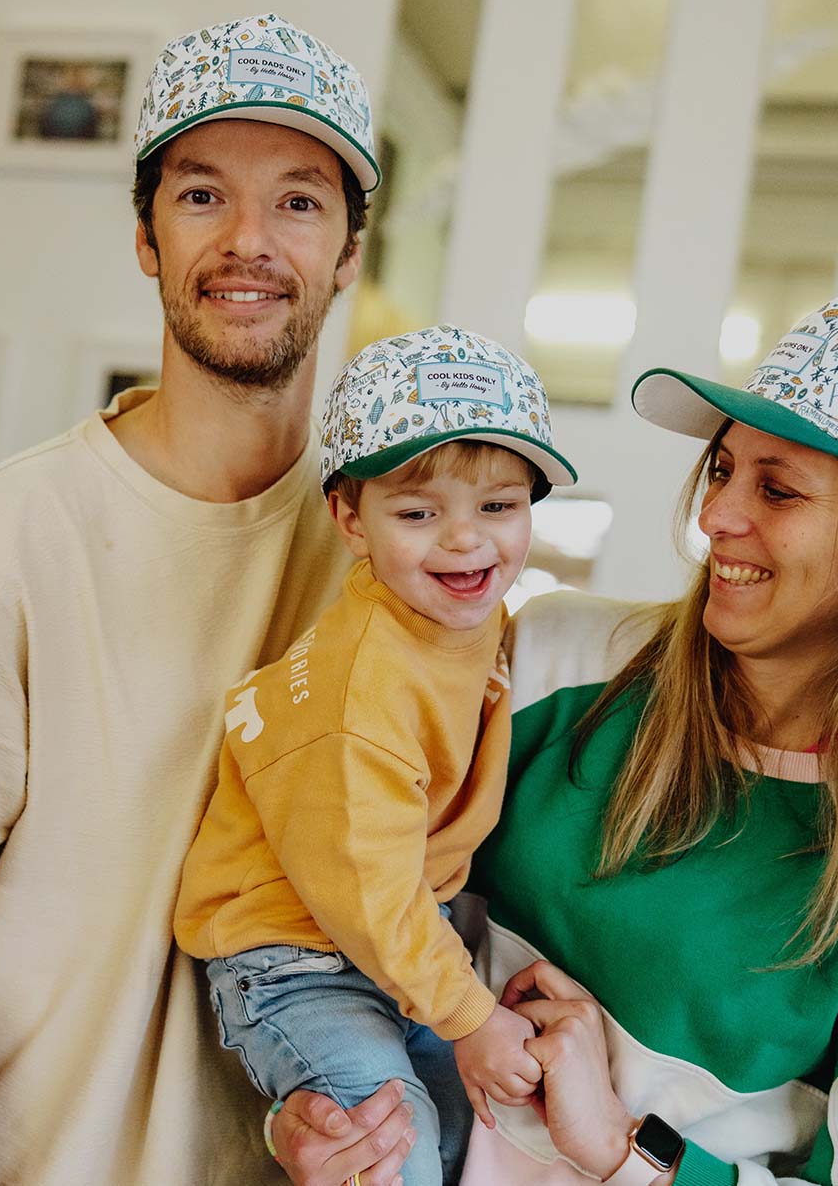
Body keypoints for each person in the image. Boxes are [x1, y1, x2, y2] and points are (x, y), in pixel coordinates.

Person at [0, 12, 416, 1185]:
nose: (249, 240)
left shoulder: (392, 555)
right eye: (201, 196)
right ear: (145, 234)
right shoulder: (7, 534)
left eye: (298, 201)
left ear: (348, 251)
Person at [274, 297, 838, 1186]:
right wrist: (316, 1101)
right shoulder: (554, 656)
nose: (715, 519)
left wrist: (621, 1148)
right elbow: (359, 882)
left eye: (776, 489)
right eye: (722, 472)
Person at [173, 324, 577, 1185]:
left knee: (469, 1142)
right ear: (351, 519)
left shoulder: (461, 618)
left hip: (396, 937)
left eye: (498, 506)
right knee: (392, 1148)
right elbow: (365, 883)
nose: (467, 542)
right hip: (294, 957)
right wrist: (468, 1014)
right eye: (420, 512)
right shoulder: (359, 696)